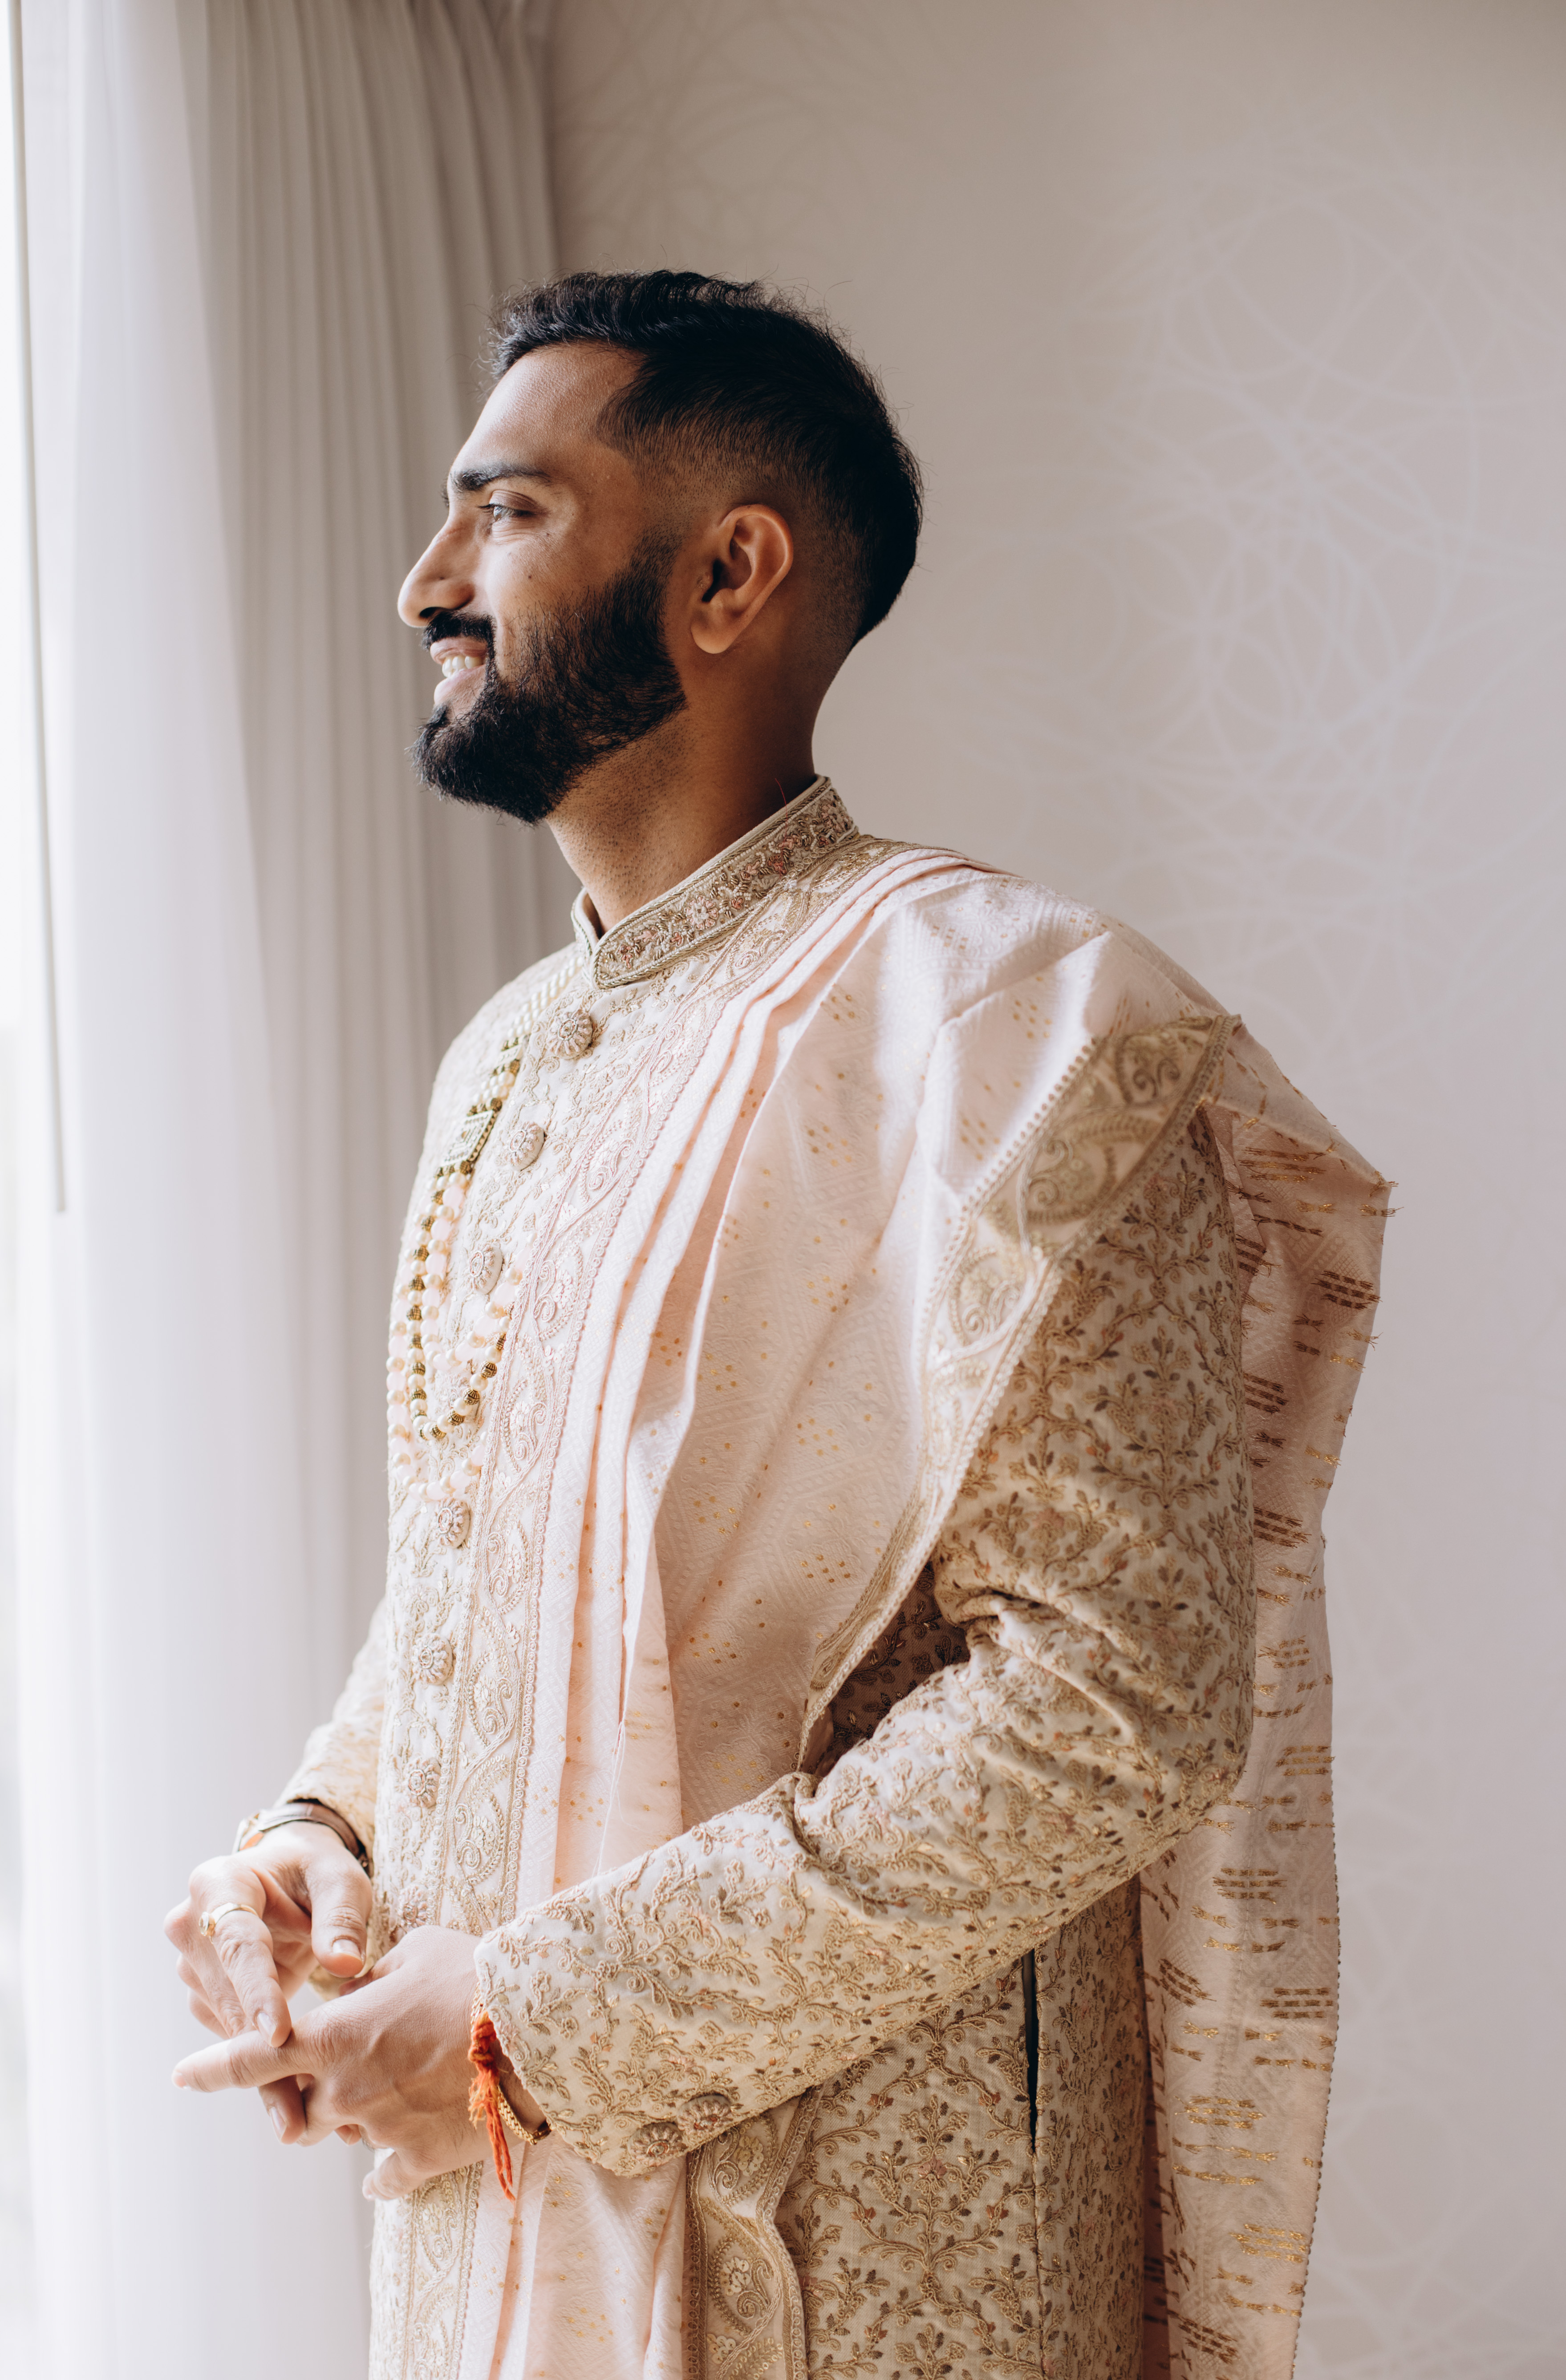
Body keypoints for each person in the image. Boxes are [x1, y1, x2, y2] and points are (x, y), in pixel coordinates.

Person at [165, 272, 1386, 2380]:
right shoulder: (507, 1058)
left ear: (730, 574)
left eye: (506, 512)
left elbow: (1118, 1696)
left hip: (873, 2243)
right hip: (495, 2209)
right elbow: (487, 1573)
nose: (425, 582)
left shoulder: (1016, 1028)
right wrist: (318, 1839)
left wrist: (533, 2016)